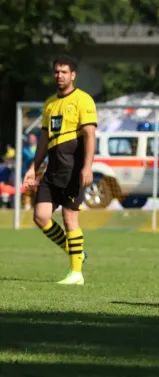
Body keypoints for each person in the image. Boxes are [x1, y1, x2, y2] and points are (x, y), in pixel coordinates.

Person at [22, 55, 97, 285]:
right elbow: (44, 139)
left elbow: (90, 135)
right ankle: (77, 253)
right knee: (41, 216)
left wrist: (87, 167)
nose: (59, 75)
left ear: (73, 75)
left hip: (73, 170)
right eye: (56, 71)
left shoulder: (83, 100)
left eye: (64, 71)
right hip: (52, 170)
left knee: (69, 217)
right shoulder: (50, 103)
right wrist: (33, 168)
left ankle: (76, 274)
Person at [22, 133, 38, 210]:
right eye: (30, 138)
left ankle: (37, 206)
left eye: (33, 138)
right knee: (27, 191)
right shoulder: (24, 150)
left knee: (37, 191)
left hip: (38, 174)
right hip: (27, 173)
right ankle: (27, 206)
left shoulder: (40, 149)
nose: (31, 140)